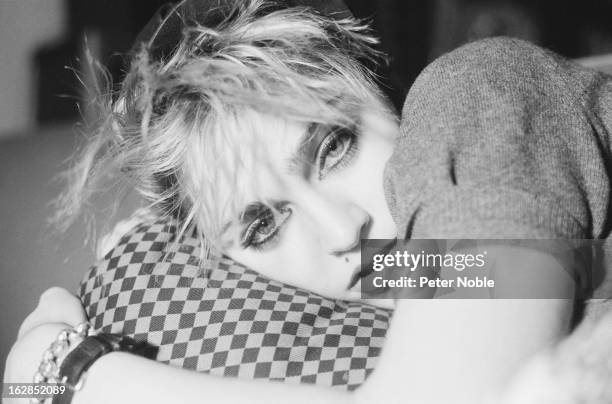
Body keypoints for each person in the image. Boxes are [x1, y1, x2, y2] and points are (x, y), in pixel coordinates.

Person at [8, 0, 612, 401]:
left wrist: (73, 373)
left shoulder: (478, 90)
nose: (342, 229)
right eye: (264, 227)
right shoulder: (429, 266)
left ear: (388, 100)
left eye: (334, 149)